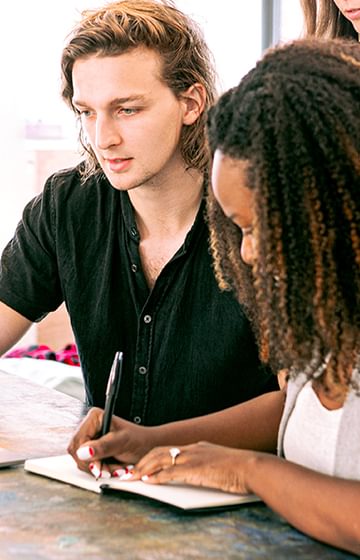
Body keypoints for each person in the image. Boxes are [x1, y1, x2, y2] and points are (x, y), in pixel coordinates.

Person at [121, 39, 360, 554]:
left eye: (262, 228)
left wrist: (251, 471)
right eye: (238, 229)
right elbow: (300, 413)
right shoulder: (327, 315)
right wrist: (155, 438)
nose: (248, 254)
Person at [0, 1, 277, 426]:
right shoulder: (68, 205)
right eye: (87, 112)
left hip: (241, 486)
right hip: (106, 484)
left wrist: (153, 446)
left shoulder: (259, 212)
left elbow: (299, 407)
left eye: (127, 109)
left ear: (191, 103)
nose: (102, 138)